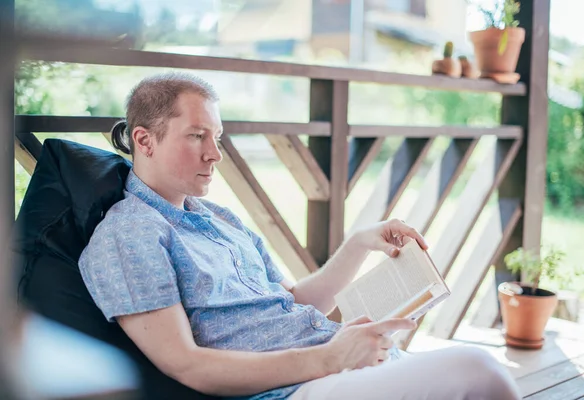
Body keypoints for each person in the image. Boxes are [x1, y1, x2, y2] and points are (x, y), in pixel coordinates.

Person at [79, 72, 521, 400]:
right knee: (480, 370)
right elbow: (186, 365)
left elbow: (298, 300)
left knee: (481, 375)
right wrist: (331, 358)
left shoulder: (220, 217)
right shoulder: (129, 233)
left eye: (217, 137)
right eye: (197, 136)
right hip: (292, 388)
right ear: (145, 140)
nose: (215, 154)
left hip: (335, 365)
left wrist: (360, 243)